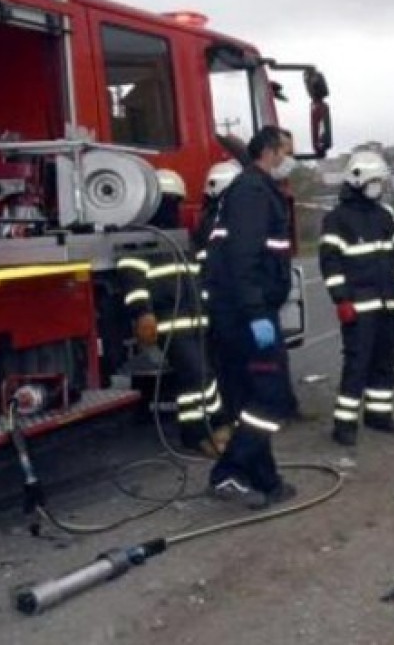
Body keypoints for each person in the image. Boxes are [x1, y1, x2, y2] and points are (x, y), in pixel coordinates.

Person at [203, 126, 298, 508]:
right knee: (273, 399)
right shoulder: (252, 192)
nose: (289, 159)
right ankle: (228, 472)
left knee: (249, 399)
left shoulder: (258, 190)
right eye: (287, 152)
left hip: (243, 311)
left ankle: (265, 479)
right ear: (271, 151)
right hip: (245, 315)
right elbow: (244, 258)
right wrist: (257, 313)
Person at [118, 169, 223, 456]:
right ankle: (196, 434)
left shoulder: (181, 239)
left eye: (175, 202)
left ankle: (213, 425)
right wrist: (143, 314)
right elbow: (133, 282)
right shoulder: (139, 240)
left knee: (207, 376)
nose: (172, 208)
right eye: (168, 202)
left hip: (196, 322)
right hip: (170, 324)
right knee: (195, 377)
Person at [319, 151, 394, 444]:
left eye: (380, 181)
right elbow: (330, 264)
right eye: (374, 181)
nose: (379, 186)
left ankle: (379, 415)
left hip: (388, 304)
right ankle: (344, 426)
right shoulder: (337, 219)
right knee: (357, 365)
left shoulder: (384, 215)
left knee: (386, 362)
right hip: (359, 307)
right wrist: (341, 300)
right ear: (357, 180)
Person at [194, 159, 243, 449]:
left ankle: (230, 421)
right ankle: (231, 422)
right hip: (226, 307)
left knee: (223, 366)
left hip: (217, 305)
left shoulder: (207, 221)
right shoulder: (221, 224)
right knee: (229, 368)